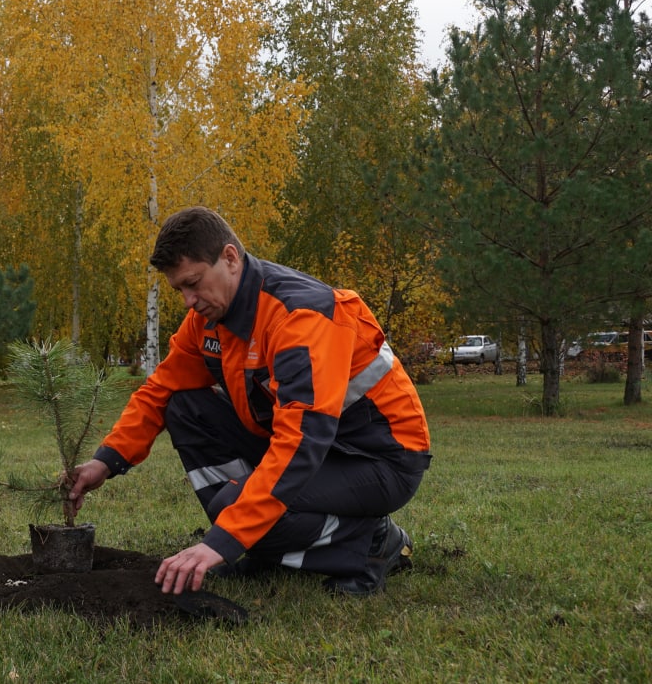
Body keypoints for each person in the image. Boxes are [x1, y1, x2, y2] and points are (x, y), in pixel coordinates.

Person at [68, 206, 431, 597]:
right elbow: (161, 389)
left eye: (194, 283)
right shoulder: (210, 319)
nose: (189, 301)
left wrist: (223, 541)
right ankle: (264, 540)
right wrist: (106, 461)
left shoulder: (299, 317)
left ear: (229, 258)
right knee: (184, 405)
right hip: (317, 448)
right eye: (179, 290)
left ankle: (373, 542)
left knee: (233, 512)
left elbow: (302, 444)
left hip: (380, 459)